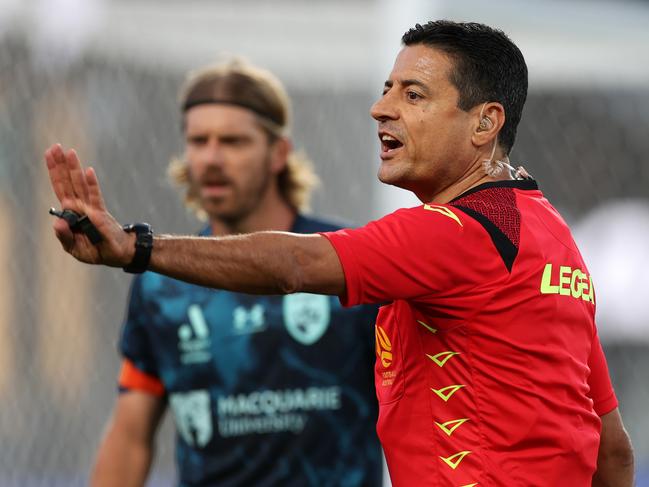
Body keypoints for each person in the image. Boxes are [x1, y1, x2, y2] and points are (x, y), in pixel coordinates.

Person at [45, 20, 635, 487]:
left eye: (414, 94)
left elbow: (295, 265)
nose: (382, 108)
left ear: (485, 123)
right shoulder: (551, 235)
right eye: (386, 89)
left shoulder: (457, 232)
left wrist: (135, 247)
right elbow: (611, 452)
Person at [87, 60, 383, 487]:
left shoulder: (344, 262)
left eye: (233, 141)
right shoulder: (161, 283)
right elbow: (131, 435)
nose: (211, 158)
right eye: (198, 141)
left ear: (279, 153)